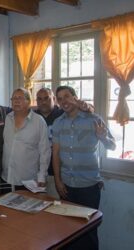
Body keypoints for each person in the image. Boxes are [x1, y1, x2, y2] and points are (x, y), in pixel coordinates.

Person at [52, 85, 116, 250]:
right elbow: (56, 154)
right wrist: (58, 181)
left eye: (67, 96)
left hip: (89, 186)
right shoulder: (58, 123)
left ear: (75, 97)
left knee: (89, 231)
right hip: (66, 186)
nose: (64, 101)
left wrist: (103, 137)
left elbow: (112, 146)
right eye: (59, 98)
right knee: (67, 230)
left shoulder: (93, 119)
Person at [35, 87, 94, 199]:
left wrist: (89, 107)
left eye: (46, 98)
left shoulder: (63, 114)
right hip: (37, 172)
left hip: (59, 174)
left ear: (54, 99)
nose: (43, 102)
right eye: (39, 99)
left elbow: (86, 110)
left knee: (57, 210)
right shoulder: (33, 116)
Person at [2, 88, 50, 189]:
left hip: (29, 181)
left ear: (28, 101)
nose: (16, 101)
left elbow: (45, 151)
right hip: (7, 178)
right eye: (14, 98)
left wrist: (42, 176)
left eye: (20, 98)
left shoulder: (39, 121)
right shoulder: (7, 118)